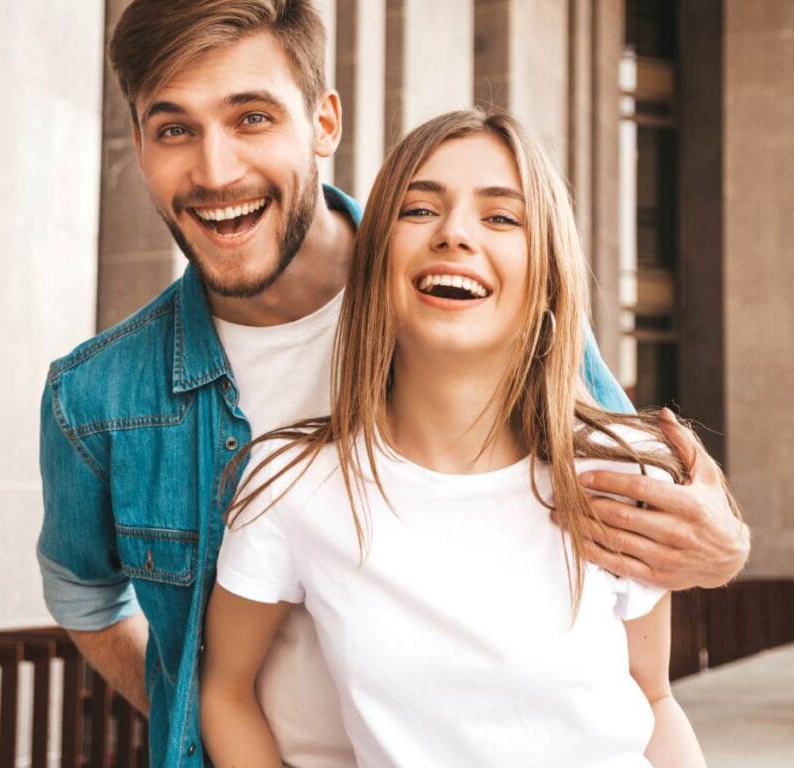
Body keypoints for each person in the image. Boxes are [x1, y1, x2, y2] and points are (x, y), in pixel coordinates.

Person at [36, 2, 748, 766]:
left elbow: (635, 513)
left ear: (323, 124)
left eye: (252, 118)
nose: (216, 172)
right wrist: (185, 716)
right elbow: (84, 593)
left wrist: (726, 549)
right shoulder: (98, 397)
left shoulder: (473, 298)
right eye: (174, 128)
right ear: (139, 146)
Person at [201, 108, 714, 767]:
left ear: (546, 274)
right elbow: (226, 690)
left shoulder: (629, 472)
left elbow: (653, 700)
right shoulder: (293, 482)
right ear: (378, 256)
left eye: (502, 217)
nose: (454, 235)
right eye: (419, 210)